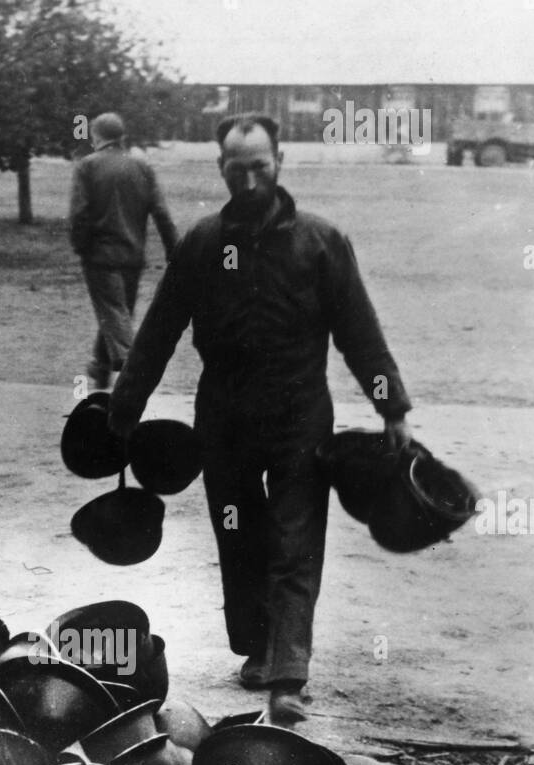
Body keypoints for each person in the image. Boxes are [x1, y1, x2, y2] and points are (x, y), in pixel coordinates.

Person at [107, 113, 413, 726]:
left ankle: (289, 674)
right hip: (223, 419)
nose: (248, 180)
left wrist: (392, 407)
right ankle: (256, 645)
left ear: (280, 161)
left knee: (296, 539)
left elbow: (360, 332)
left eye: (259, 166)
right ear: (221, 167)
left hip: (302, 418)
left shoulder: (321, 242)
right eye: (236, 167)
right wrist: (125, 409)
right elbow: (160, 331)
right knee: (238, 531)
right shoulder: (199, 243)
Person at [69, 112, 179, 391]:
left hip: (100, 257)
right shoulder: (142, 167)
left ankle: (133, 367)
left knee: (113, 313)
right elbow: (162, 213)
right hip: (133, 257)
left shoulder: (87, 166)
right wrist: (174, 250)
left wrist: (81, 247)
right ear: (122, 137)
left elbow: (79, 214)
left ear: (97, 136)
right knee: (117, 314)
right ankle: (100, 369)